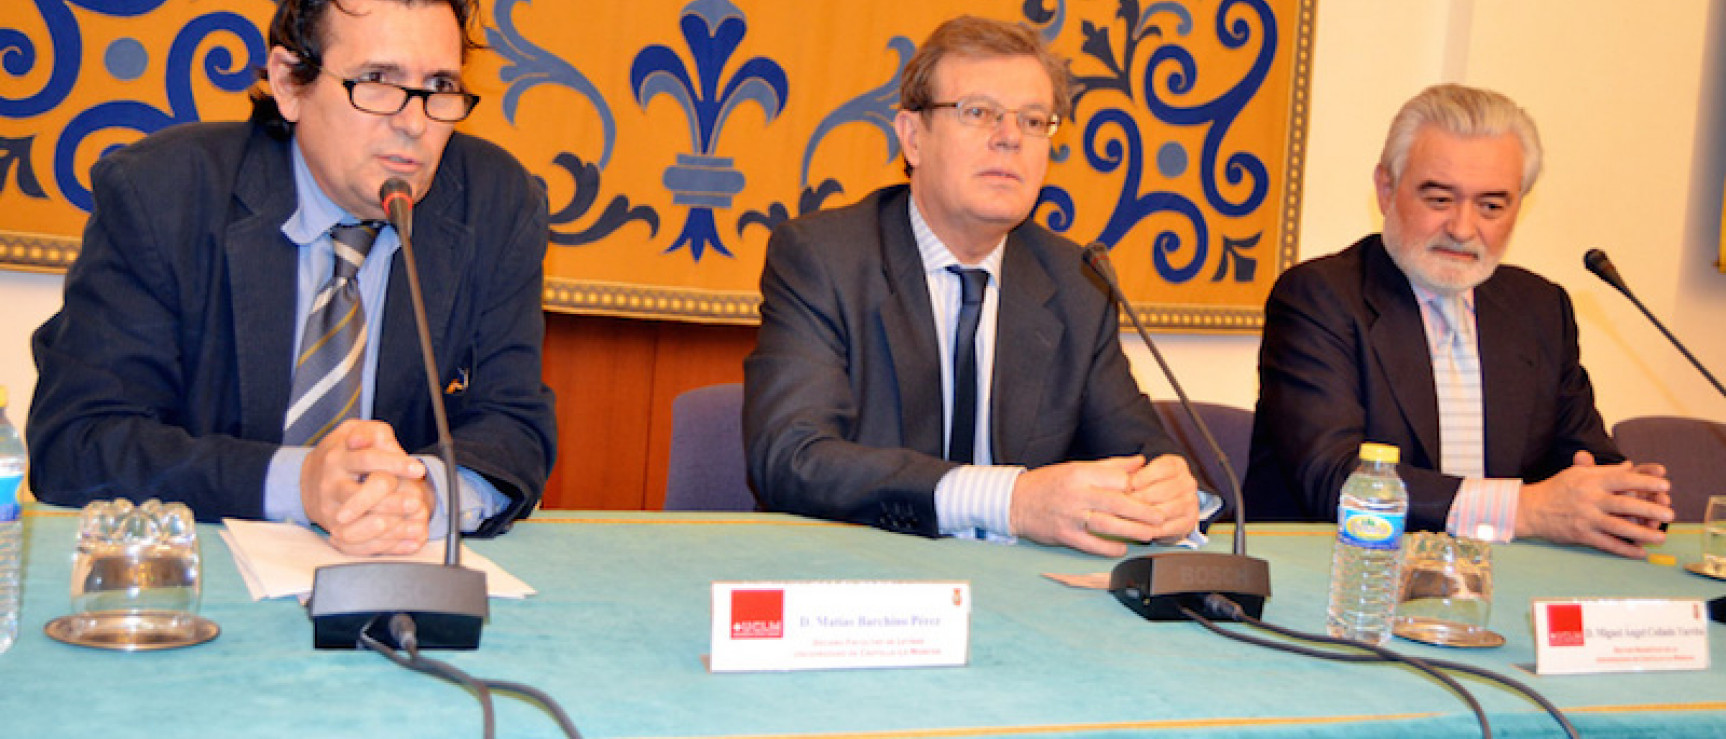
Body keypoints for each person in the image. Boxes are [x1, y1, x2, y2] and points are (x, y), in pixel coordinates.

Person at [28, 0, 556, 556]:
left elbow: (514, 428)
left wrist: (425, 493)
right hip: (200, 582)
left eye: (440, 85)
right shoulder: (162, 196)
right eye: (377, 80)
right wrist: (299, 484)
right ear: (289, 83)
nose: (414, 123)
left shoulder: (497, 204)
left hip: (391, 574)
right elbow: (76, 443)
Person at [744, 15, 1210, 558]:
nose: (1010, 137)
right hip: (856, 585)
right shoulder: (824, 258)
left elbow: (1136, 450)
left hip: (1023, 597)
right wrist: (1009, 499)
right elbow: (792, 458)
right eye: (979, 112)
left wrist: (1170, 488)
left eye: (1035, 121)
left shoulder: (1077, 280)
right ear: (913, 137)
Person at [1243, 83, 1671, 558]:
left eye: (1491, 206)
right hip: (1337, 580)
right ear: (1387, 189)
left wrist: (1618, 497)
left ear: (1518, 207)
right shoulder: (1320, 298)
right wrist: (1523, 508)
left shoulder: (1539, 308)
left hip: (1499, 586)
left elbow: (1581, 456)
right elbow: (1333, 479)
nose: (1464, 229)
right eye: (1440, 199)